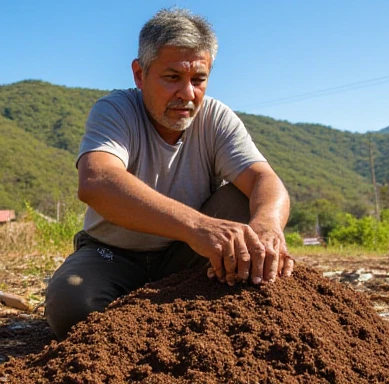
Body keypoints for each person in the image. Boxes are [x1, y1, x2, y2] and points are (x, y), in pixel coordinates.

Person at [44, 7, 294, 339]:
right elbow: (96, 182)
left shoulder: (216, 118)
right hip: (114, 254)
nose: (188, 94)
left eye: (198, 80)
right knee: (71, 306)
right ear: (139, 74)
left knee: (243, 198)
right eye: (172, 77)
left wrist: (268, 224)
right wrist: (196, 226)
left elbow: (265, 180)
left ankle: (197, 316)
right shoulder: (116, 111)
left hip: (188, 257)